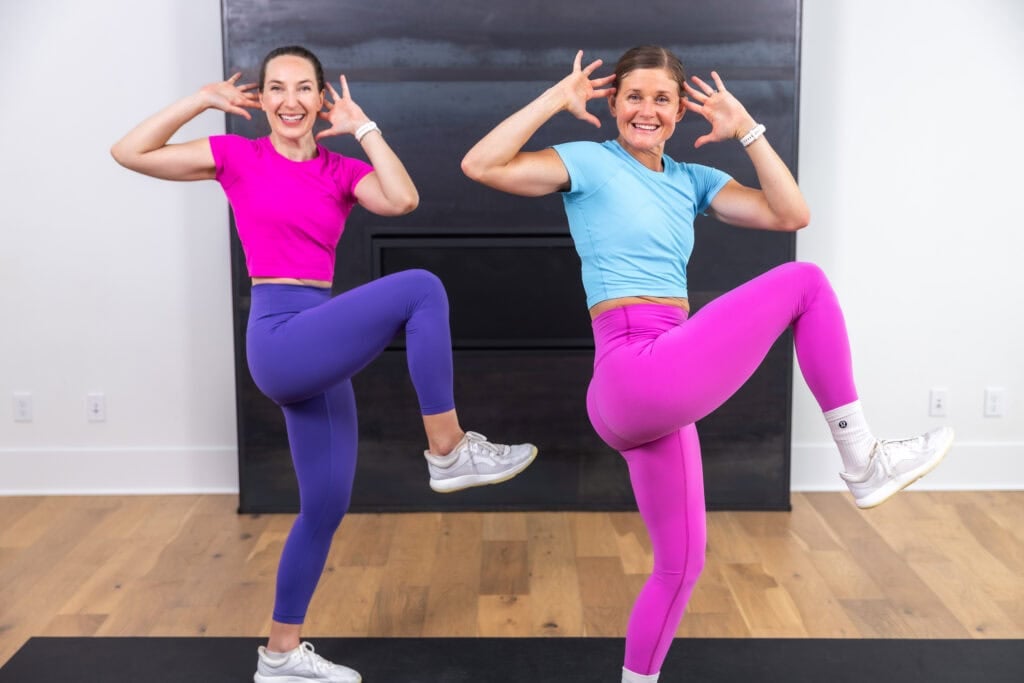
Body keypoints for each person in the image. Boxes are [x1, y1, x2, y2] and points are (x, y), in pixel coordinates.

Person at [461, 46, 954, 683]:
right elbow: (481, 164)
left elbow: (791, 213)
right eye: (633, 96)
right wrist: (556, 99)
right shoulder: (586, 161)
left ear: (677, 111)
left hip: (657, 381)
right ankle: (862, 459)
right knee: (804, 282)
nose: (647, 109)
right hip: (635, 367)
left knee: (682, 565)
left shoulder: (692, 181)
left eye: (662, 98)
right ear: (612, 105)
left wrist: (746, 128)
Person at [111, 45, 537, 683]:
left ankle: (279, 656)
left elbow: (402, 200)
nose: (290, 100)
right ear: (260, 98)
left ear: (320, 99)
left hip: (318, 344)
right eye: (276, 88)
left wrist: (365, 127)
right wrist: (200, 101)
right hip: (281, 338)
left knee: (326, 506)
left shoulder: (339, 170)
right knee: (421, 287)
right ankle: (448, 449)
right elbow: (129, 152)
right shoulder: (237, 157)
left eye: (303, 88)